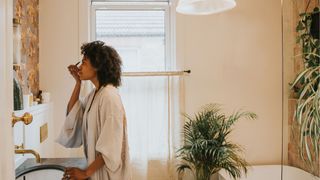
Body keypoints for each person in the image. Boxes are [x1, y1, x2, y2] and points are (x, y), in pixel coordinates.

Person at [56, 41, 131, 180]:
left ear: (97, 66)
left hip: (108, 174)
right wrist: (78, 83)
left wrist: (85, 173)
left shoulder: (109, 97)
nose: (79, 67)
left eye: (84, 62)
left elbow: (111, 146)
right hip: (96, 171)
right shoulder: (96, 94)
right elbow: (73, 113)